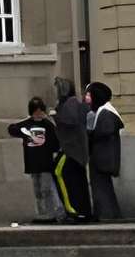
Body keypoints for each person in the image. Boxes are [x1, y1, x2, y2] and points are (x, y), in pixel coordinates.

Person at [7, 97, 61, 224]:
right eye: (36, 111)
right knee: (37, 190)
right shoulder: (27, 124)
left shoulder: (48, 125)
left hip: (45, 162)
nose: (38, 113)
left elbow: (55, 143)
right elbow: (12, 129)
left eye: (40, 110)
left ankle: (51, 213)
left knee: (46, 189)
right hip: (32, 162)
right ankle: (41, 213)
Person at [52, 77, 98, 221]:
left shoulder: (70, 104)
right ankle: (82, 210)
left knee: (60, 173)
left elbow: (70, 121)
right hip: (77, 150)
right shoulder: (75, 104)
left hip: (71, 149)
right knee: (78, 180)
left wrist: (56, 117)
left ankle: (73, 210)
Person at [85, 82, 125, 221]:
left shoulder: (106, 113)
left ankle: (106, 214)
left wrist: (89, 134)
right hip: (103, 157)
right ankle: (108, 213)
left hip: (102, 158)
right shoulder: (103, 111)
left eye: (89, 95)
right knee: (103, 188)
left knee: (101, 188)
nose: (86, 98)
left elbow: (103, 131)